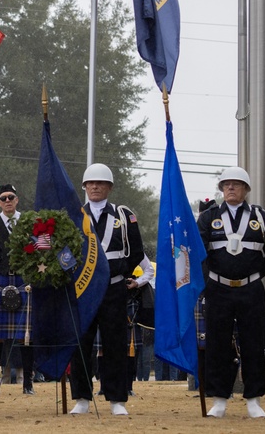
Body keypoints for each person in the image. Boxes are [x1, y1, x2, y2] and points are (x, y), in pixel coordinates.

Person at [68, 164, 153, 416]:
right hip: (83, 289)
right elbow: (63, 250)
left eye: (100, 183)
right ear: (84, 187)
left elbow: (136, 250)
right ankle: (82, 398)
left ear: (110, 187)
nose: (95, 187)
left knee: (115, 344)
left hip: (113, 289)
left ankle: (117, 400)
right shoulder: (74, 215)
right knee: (81, 343)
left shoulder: (123, 215)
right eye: (90, 183)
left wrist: (116, 271)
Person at [198, 166, 265, 418]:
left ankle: (254, 400)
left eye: (236, 184)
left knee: (253, 344)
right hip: (218, 290)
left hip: (250, 291)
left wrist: (252, 274)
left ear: (246, 189)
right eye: (226, 184)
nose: (231, 188)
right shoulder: (208, 216)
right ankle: (220, 399)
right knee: (217, 345)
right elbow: (197, 253)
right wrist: (208, 281)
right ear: (222, 189)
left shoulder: (260, 216)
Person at [0, 184, 34, 396]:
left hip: (24, 280)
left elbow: (42, 246)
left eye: (11, 197)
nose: (8, 201)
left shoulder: (29, 221)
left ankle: (28, 384)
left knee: (26, 335)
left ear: (17, 199)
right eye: (3, 198)